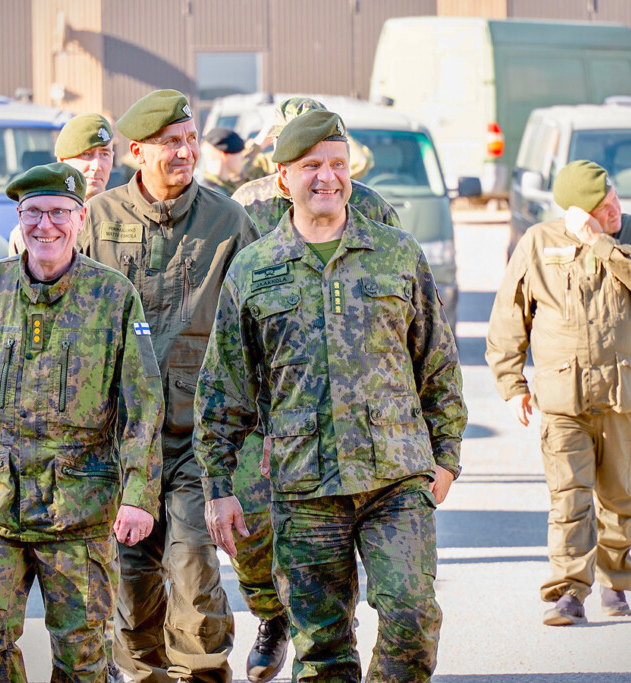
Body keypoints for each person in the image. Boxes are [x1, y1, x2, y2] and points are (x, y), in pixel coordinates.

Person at [195, 110, 466, 682]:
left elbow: (437, 363)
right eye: (312, 166)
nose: (328, 178)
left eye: (338, 164)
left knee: (412, 619)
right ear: (284, 175)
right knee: (322, 648)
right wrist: (220, 488)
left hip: (395, 479)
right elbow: (224, 390)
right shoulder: (254, 269)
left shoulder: (397, 253)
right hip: (303, 488)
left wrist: (446, 459)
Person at [0, 162, 164, 681]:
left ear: (78, 219)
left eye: (58, 213)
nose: (44, 226)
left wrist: (139, 494)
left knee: (83, 658)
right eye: (32, 213)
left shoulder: (113, 296)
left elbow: (142, 405)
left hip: (80, 509)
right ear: (18, 218)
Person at [79, 89, 257, 683]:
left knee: (193, 570)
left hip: (194, 437)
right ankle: (144, 673)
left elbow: (257, 316)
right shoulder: (96, 221)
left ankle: (202, 672)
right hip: (118, 439)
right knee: (130, 580)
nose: (186, 153)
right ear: (136, 152)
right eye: (170, 143)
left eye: (190, 140)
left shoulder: (227, 220)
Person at [228, 95, 402, 683]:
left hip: (354, 407)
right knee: (251, 528)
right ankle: (271, 614)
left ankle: (328, 625)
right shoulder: (244, 207)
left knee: (341, 539)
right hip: (264, 404)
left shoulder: (372, 208)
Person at [486, 160, 631, 625]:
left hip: (620, 396)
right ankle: (569, 592)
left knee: (618, 500)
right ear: (576, 211)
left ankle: (616, 580)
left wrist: (602, 242)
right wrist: (512, 385)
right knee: (569, 499)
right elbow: (510, 318)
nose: (615, 208)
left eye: (613, 199)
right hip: (563, 400)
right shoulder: (538, 242)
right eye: (602, 207)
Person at [233, 98, 396, 235]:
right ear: (275, 142)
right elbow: (235, 170)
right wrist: (257, 145)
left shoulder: (368, 204)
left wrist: (337, 129)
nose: (299, 148)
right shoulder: (250, 200)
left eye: (312, 138)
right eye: (288, 140)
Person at [8, 113, 115, 255]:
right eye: (86, 154)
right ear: (63, 160)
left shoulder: (126, 222)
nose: (97, 165)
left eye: (105, 154)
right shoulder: (31, 233)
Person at [198, 127, 247, 197]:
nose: (242, 157)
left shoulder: (225, 188)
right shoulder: (211, 195)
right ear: (224, 154)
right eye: (238, 152)